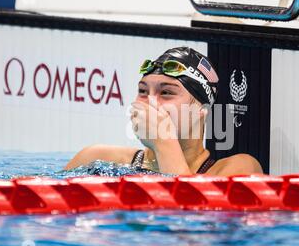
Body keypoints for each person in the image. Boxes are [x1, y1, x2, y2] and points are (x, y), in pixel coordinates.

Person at [65, 47, 262, 175]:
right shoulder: (96, 158)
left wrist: (164, 143)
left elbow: (188, 226)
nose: (150, 102)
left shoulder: (237, 170)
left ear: (202, 109)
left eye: (166, 92)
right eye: (143, 91)